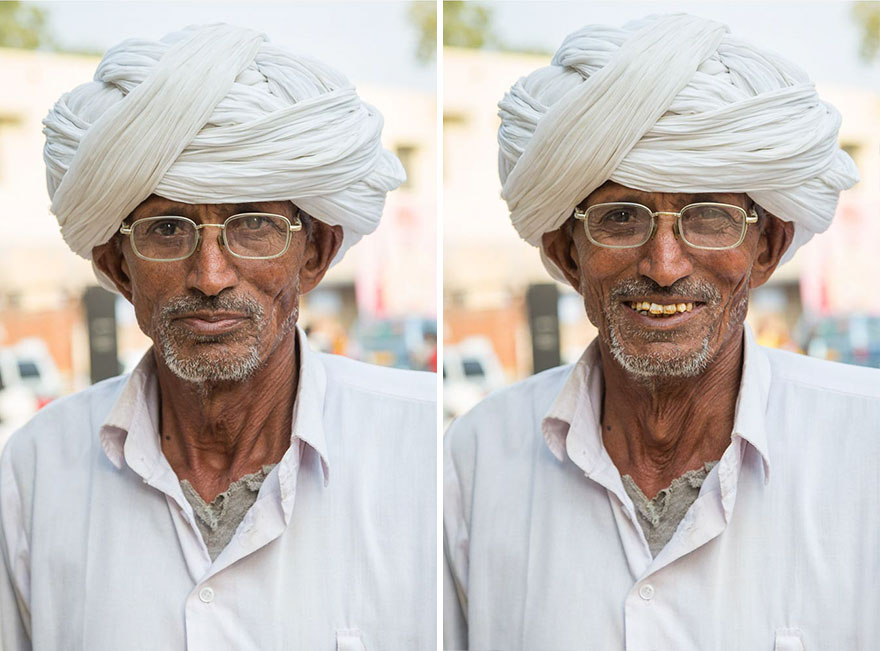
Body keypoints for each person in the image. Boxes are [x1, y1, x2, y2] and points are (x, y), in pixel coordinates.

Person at [444, 14, 880, 650]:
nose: (664, 264)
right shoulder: (477, 459)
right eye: (621, 218)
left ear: (768, 249)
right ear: (568, 254)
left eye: (708, 217)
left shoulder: (866, 450)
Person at [0, 24, 435, 650]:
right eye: (167, 230)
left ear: (314, 254)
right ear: (119, 266)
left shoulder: (420, 454)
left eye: (255, 225)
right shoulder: (38, 470)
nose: (209, 275)